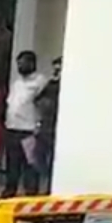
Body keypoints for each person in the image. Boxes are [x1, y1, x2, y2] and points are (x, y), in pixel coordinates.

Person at [2, 50, 49, 198]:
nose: (20, 66)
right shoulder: (17, 83)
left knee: (30, 165)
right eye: (18, 63)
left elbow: (43, 103)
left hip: (29, 130)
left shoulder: (40, 81)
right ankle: (10, 192)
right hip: (12, 129)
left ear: (32, 63)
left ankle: (31, 195)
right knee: (12, 164)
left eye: (23, 63)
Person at [33, 57, 62, 196]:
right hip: (46, 125)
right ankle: (45, 181)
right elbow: (37, 99)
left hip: (57, 127)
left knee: (53, 160)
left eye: (59, 68)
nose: (56, 72)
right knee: (38, 156)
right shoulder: (51, 84)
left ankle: (50, 187)